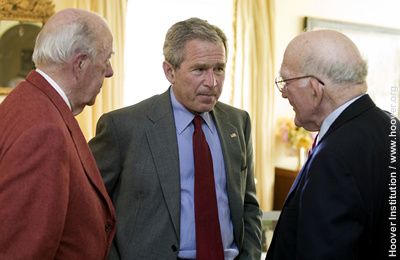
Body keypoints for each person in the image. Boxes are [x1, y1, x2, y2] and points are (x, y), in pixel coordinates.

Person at [89, 17, 263, 260]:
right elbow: (89, 210)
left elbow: (248, 206)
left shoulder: (238, 122)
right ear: (170, 71)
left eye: (219, 69)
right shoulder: (123, 127)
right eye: (200, 69)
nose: (212, 82)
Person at [266, 29, 400, 259]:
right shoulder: (389, 125)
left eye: (286, 81)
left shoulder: (334, 158)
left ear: (316, 90)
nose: (283, 94)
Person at [0, 8, 117, 259]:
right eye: (106, 60)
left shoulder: (26, 100)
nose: (109, 72)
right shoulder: (45, 132)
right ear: (81, 63)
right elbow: (24, 250)